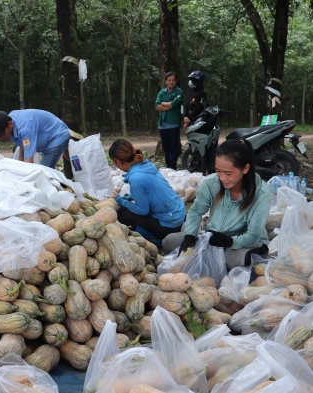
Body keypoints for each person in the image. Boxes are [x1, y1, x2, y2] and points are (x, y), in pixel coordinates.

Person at [163, 139, 270, 269]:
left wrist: (230, 241)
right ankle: (208, 259)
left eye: (228, 173)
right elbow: (196, 211)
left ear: (245, 168)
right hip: (213, 238)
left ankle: (257, 253)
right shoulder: (210, 183)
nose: (222, 178)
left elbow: (253, 235)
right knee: (170, 241)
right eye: (218, 171)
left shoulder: (261, 192)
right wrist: (190, 236)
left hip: (245, 243)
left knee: (236, 260)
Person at [110, 139, 186, 242]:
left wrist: (119, 199)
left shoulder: (135, 178)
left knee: (122, 213)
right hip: (181, 215)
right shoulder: (145, 164)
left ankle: (155, 240)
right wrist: (129, 197)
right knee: (128, 204)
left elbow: (143, 211)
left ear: (118, 161)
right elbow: (151, 191)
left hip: (170, 226)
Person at [0, 109, 71, 168]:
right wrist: (20, 165)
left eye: (2, 133)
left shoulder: (25, 128)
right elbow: (22, 145)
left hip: (58, 135)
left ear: (9, 124)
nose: (2, 137)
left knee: (44, 170)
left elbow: (29, 161)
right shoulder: (12, 122)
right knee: (45, 169)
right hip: (46, 140)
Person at [154, 71, 183, 170]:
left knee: (174, 146)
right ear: (165, 81)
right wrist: (169, 105)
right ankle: (168, 165)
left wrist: (164, 104)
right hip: (162, 124)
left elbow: (175, 104)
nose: (171, 82)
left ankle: (172, 166)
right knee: (166, 146)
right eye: (169, 80)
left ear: (176, 81)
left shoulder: (179, 92)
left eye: (173, 80)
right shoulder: (162, 92)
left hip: (174, 123)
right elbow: (157, 107)